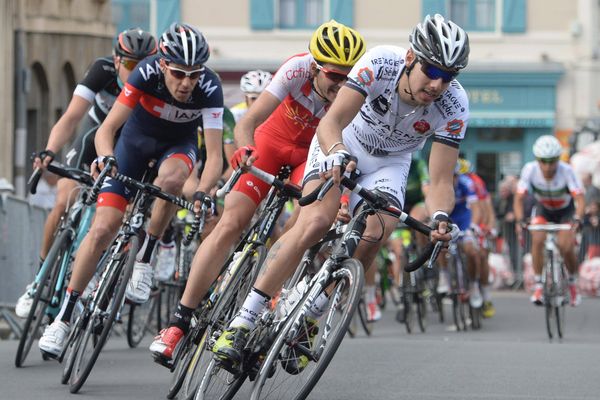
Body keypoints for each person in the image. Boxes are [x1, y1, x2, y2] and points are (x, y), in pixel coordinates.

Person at [211, 14, 469, 370]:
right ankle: (244, 319)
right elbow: (330, 121)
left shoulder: (455, 106)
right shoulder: (380, 63)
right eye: (432, 71)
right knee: (315, 220)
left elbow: (440, 180)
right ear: (411, 57)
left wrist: (441, 216)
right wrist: (336, 152)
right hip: (342, 141)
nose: (438, 84)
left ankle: (310, 315)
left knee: (376, 234)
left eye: (449, 76)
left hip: (391, 163)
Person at [149, 19, 366, 362]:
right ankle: (179, 322)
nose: (342, 85)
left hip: (311, 157)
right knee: (231, 223)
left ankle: (271, 303)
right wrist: (245, 149)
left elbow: (345, 156)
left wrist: (340, 199)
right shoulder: (295, 70)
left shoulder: (357, 92)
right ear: (314, 67)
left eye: (348, 76)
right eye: (334, 76)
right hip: (271, 143)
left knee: (306, 223)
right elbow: (248, 122)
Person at [37, 22, 225, 357]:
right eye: (179, 73)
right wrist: (107, 157)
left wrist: (205, 190)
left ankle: (146, 257)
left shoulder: (210, 88)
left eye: (194, 74)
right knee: (102, 229)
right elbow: (107, 129)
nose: (187, 83)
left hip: (177, 147)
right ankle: (63, 318)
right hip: (133, 145)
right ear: (164, 64)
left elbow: (213, 157)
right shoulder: (145, 73)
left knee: (172, 180)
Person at [15, 28, 158, 318]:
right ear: (117, 61)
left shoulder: (156, 82)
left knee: (116, 216)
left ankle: (95, 275)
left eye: (142, 66)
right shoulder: (101, 70)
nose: (135, 72)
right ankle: (39, 279)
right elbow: (70, 117)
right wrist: (50, 151)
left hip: (126, 142)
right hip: (94, 135)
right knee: (63, 200)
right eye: (130, 65)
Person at [514, 135, 585, 307]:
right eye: (543, 161)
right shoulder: (530, 169)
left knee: (565, 246)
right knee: (537, 239)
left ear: (558, 159)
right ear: (537, 159)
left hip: (565, 212)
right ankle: (539, 285)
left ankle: (572, 283)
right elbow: (518, 198)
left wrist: (577, 218)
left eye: (552, 161)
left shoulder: (566, 170)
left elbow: (580, 199)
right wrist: (519, 220)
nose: (547, 166)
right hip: (543, 209)